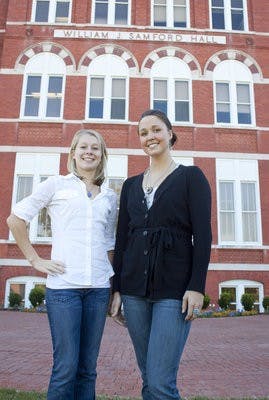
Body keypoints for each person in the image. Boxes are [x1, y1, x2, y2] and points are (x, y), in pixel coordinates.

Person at [7, 129, 118, 400]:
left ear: (102, 155)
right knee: (66, 367)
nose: (88, 152)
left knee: (88, 369)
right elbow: (16, 219)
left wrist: (116, 289)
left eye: (95, 148)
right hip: (64, 289)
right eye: (83, 147)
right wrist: (34, 259)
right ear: (73, 153)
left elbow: (110, 244)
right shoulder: (57, 185)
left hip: (99, 289)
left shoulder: (110, 197)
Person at [110, 109, 212, 400]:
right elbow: (122, 239)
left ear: (169, 133)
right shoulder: (130, 185)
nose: (149, 137)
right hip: (134, 291)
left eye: (156, 130)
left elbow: (203, 235)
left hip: (174, 289)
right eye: (143, 133)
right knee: (149, 378)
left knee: (160, 382)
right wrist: (117, 289)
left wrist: (196, 286)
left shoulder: (191, 177)